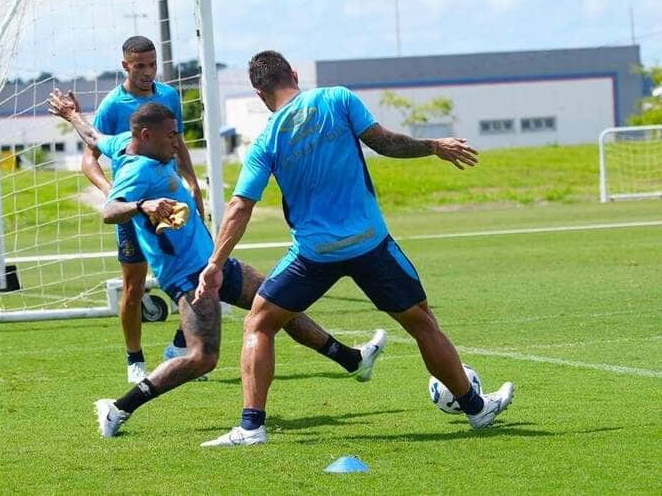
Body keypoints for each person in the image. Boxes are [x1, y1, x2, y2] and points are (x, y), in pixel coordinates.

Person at [195, 50, 515, 447]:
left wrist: (215, 263)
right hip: (370, 245)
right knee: (421, 324)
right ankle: (475, 408)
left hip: (314, 255)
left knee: (259, 324)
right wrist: (434, 146)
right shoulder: (338, 99)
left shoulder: (266, 141)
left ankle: (251, 427)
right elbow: (385, 143)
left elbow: (240, 205)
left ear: (260, 94)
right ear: (294, 74)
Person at [48, 91, 387, 440]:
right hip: (188, 276)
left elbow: (94, 137)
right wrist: (144, 205)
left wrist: (73, 115)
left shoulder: (124, 142)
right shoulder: (136, 170)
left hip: (211, 263)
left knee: (278, 301)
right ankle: (118, 409)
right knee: (203, 358)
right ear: (147, 136)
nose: (177, 143)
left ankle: (352, 360)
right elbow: (109, 211)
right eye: (171, 136)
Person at [82, 36, 204, 384]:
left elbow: (177, 143)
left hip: (170, 203)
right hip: (136, 208)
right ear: (125, 66)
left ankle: (182, 348)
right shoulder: (112, 105)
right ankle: (135, 361)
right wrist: (113, 196)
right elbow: (89, 160)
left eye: (152, 65)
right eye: (140, 66)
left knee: (200, 274)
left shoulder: (168, 96)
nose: (148, 72)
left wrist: (193, 185)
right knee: (134, 286)